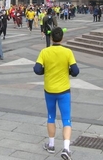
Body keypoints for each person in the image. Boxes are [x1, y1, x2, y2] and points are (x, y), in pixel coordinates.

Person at [33, 27, 79, 160]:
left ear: (51, 38)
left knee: (51, 116)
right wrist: (68, 71)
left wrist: (45, 71)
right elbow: (75, 71)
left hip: (49, 89)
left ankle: (51, 145)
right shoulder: (68, 52)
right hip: (64, 90)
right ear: (62, 38)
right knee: (66, 119)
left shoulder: (45, 52)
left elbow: (37, 69)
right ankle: (66, 148)